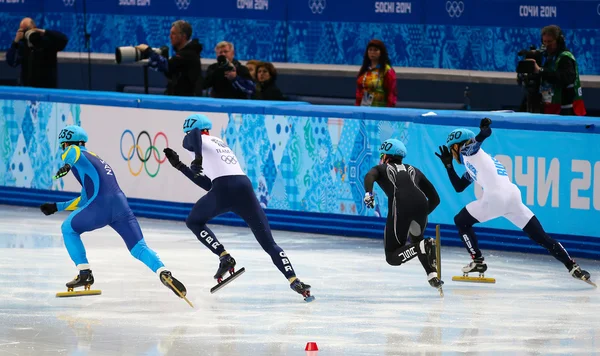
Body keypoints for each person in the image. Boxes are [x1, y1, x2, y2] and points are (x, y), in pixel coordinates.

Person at [162, 114, 314, 301]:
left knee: (193, 222)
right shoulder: (219, 142)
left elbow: (193, 137)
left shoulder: (195, 139)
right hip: (242, 188)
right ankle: (294, 280)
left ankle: (224, 256)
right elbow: (209, 185)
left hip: (224, 189)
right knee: (269, 243)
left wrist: (197, 159)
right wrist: (180, 166)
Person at [435, 118, 593, 284]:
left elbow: (480, 138)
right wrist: (449, 167)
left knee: (461, 221)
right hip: (513, 196)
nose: (453, 153)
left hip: (495, 198)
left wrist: (483, 131)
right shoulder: (476, 163)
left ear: (458, 145)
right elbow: (459, 186)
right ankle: (573, 266)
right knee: (542, 237)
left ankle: (477, 260)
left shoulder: (469, 151)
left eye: (452, 149)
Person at [39, 125, 187, 298]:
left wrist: (66, 165)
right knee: (139, 248)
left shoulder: (74, 153)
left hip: (100, 205)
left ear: (65, 144)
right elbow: (85, 199)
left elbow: (73, 152)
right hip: (120, 205)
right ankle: (163, 272)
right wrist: (57, 206)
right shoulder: (94, 159)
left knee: (68, 229)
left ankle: (84, 273)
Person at [363, 138, 443, 292]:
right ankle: (432, 274)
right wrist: (422, 213)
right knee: (417, 240)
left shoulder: (381, 169)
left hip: (400, 205)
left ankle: (424, 246)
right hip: (421, 205)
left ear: (386, 156)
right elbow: (435, 199)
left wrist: (368, 193)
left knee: (392, 257)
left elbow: (369, 176)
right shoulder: (414, 169)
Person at [526, 25, 586, 116]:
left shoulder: (565, 57)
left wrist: (540, 71)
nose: (547, 45)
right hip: (550, 108)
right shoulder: (546, 57)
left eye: (550, 42)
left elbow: (565, 78)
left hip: (568, 109)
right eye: (544, 42)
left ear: (559, 41)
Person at [136, 20, 203, 96]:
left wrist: (148, 51)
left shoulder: (188, 54)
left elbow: (167, 65)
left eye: (173, 34)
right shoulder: (187, 52)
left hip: (187, 100)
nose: (170, 36)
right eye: (170, 33)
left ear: (183, 36)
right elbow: (170, 72)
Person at [5, 17, 68, 88]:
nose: (27, 33)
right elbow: (11, 62)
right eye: (24, 31)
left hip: (46, 88)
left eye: (28, 30)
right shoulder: (22, 45)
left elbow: (64, 39)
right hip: (28, 88)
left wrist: (45, 32)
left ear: (34, 28)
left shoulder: (46, 41)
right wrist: (15, 42)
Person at [355, 39, 397, 107]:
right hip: (364, 108)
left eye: (375, 50)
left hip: (380, 110)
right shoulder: (365, 69)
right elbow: (359, 92)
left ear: (381, 52)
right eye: (370, 50)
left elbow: (391, 94)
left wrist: (389, 111)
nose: (372, 52)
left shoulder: (387, 70)